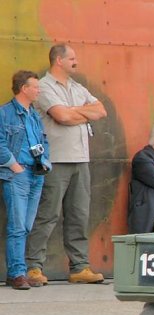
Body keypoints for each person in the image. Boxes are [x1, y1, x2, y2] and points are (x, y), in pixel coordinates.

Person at [27, 43, 106, 285]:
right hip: (56, 160)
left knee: (79, 215)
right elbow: (60, 116)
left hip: (81, 160)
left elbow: (101, 110)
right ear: (58, 60)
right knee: (48, 214)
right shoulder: (44, 86)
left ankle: (79, 266)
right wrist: (80, 112)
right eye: (72, 58)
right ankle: (33, 266)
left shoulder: (77, 87)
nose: (76, 61)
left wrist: (73, 111)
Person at [0, 71, 51, 290]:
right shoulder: (5, 113)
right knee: (18, 226)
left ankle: (18, 271)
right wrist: (14, 165)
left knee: (26, 226)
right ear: (24, 88)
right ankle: (17, 273)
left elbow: (43, 140)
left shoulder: (34, 115)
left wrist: (46, 161)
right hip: (18, 175)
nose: (38, 90)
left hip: (36, 174)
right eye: (35, 87)